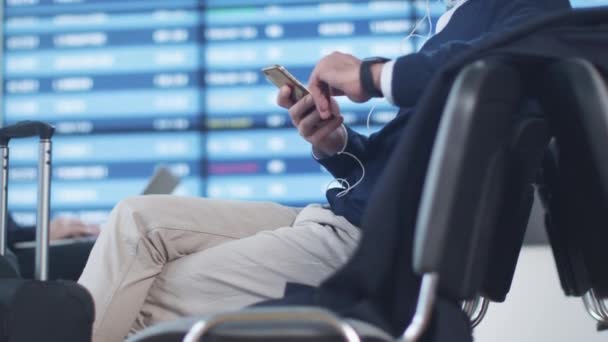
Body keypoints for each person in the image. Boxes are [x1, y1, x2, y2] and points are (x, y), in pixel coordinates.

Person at [77, 0, 570, 341]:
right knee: (134, 221)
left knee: (139, 299)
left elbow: (491, 63)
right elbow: (397, 169)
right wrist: (336, 145)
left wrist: (369, 75)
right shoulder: (457, 19)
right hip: (337, 218)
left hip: (364, 245)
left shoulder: (526, 13)